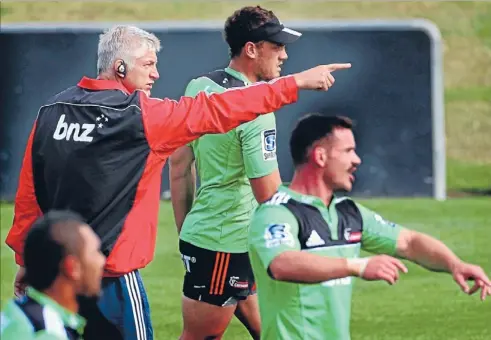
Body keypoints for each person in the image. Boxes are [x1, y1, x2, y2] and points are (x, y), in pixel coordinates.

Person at [5, 23, 350, 340]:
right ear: (120, 67)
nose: (156, 73)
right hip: (113, 279)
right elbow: (219, 109)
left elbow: (30, 194)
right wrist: (294, 83)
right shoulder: (142, 117)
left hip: (57, 279)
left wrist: (27, 260)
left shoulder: (52, 111)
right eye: (148, 64)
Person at [248, 114, 491, 340]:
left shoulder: (348, 212)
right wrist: (359, 266)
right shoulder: (277, 212)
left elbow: (409, 242)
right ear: (320, 156)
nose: (357, 160)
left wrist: (454, 264)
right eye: (348, 151)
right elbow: (282, 264)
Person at [170, 6, 304, 339]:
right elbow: (269, 195)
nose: (284, 55)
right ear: (251, 49)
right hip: (226, 246)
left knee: (276, 332)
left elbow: (178, 166)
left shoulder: (198, 88)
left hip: (215, 238)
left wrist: (187, 232)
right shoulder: (257, 112)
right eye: (277, 47)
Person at [0, 210, 106, 340]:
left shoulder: (20, 313)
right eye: (95, 252)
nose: (102, 261)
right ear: (72, 267)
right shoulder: (48, 333)